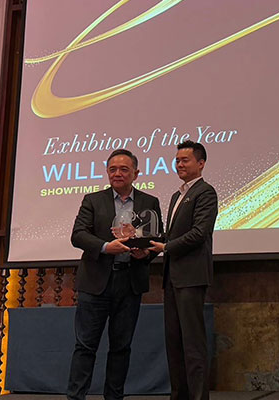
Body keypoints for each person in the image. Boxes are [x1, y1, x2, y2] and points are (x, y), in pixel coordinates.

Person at [67, 149, 162, 400]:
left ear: (136, 174)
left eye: (124, 169)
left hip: (129, 282)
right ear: (107, 172)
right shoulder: (92, 200)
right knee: (85, 347)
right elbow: (78, 235)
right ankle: (76, 397)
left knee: (121, 348)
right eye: (113, 169)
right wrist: (105, 247)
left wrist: (146, 254)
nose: (117, 173)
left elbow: (156, 239)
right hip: (95, 283)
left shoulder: (149, 202)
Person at [149, 140, 218, 400]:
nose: (179, 164)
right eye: (177, 160)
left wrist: (165, 246)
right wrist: (149, 246)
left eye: (185, 160)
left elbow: (199, 233)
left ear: (201, 163)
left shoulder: (205, 192)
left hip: (191, 277)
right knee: (174, 343)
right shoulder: (178, 195)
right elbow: (171, 235)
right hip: (172, 278)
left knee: (193, 344)